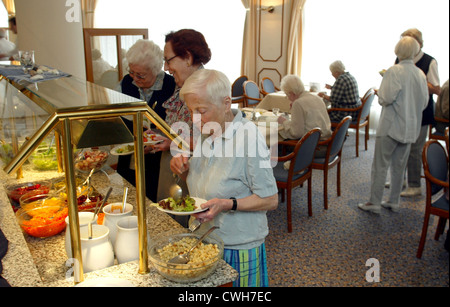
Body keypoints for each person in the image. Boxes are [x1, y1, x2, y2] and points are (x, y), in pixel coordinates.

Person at [170, 69, 278, 287]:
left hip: (237, 244)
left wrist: (227, 204)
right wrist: (183, 170)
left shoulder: (249, 139)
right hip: (205, 237)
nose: (195, 119)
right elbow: (206, 179)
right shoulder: (206, 130)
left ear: (227, 103)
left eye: (201, 110)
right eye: (191, 111)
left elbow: (270, 199)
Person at [358, 36, 428, 214]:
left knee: (380, 166)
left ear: (398, 51)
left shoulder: (394, 71)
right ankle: (393, 200)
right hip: (410, 127)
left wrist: (380, 92)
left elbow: (385, 99)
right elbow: (425, 102)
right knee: (399, 166)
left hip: (391, 126)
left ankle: (374, 202)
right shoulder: (420, 74)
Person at [151, 29, 212, 204]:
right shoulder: (182, 84)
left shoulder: (207, 88)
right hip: (173, 164)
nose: (165, 68)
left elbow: (213, 142)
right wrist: (159, 137)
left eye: (168, 60)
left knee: (186, 220)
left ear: (187, 57)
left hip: (193, 170)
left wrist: (172, 142)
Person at [116, 39, 176, 202]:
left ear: (156, 70)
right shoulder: (125, 83)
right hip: (130, 158)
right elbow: (116, 118)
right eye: (131, 72)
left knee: (154, 204)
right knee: (129, 200)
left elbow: (178, 127)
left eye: (140, 74)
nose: (134, 78)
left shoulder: (172, 86)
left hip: (161, 162)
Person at [398, 29, 441, 198]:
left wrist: (418, 80)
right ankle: (399, 179)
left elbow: (436, 88)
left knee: (415, 150)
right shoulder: (400, 58)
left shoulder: (430, 61)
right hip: (402, 111)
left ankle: (415, 184)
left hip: (421, 113)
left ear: (419, 44)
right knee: (400, 148)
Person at [278, 74, 332, 141]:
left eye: (287, 95)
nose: (288, 98)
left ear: (292, 93)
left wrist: (284, 122)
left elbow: (296, 133)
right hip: (327, 140)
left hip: (312, 145)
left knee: (276, 142)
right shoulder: (317, 98)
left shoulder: (298, 103)